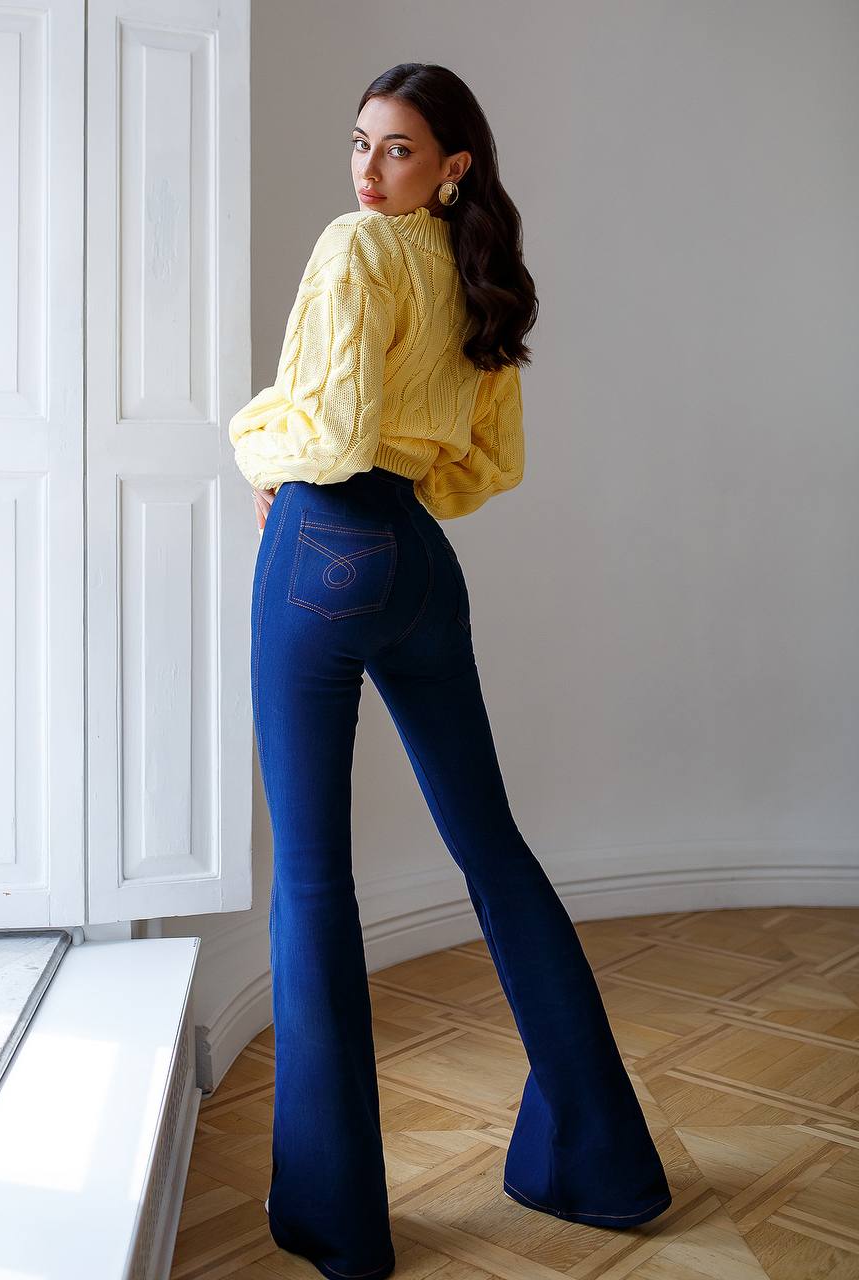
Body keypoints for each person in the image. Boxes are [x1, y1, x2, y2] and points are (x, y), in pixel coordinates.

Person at [228, 63, 672, 1280]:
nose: (369, 173)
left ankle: (338, 1223)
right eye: (361, 145)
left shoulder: (358, 251)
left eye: (401, 152)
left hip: (318, 547)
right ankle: (604, 1163)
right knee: (495, 847)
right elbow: (483, 468)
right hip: (419, 562)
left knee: (315, 880)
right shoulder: (479, 275)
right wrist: (390, 499)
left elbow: (315, 430)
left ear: (453, 164)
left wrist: (246, 441)